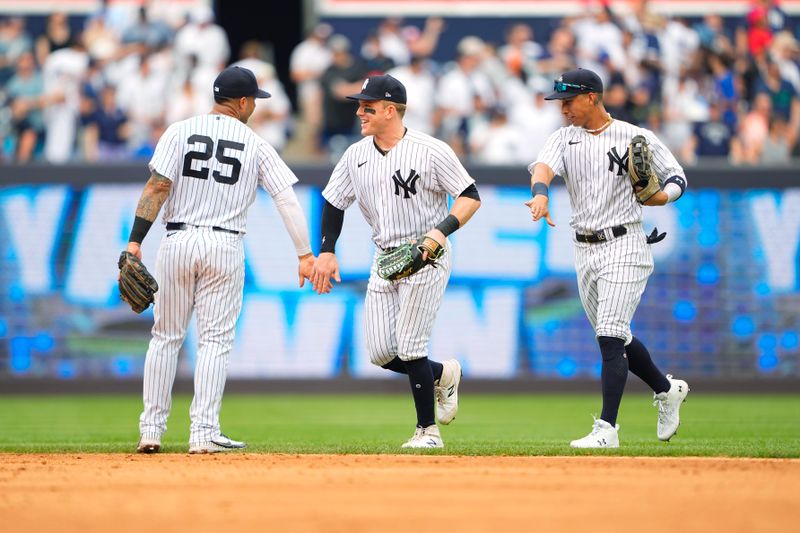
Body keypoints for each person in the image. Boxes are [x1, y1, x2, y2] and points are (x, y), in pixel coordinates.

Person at [128, 66, 315, 454]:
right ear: (243, 102)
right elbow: (285, 199)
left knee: (165, 338)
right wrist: (304, 253)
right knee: (214, 341)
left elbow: (157, 186)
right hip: (224, 246)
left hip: (177, 240)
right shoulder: (257, 143)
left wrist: (134, 242)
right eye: (253, 101)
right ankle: (203, 433)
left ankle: (151, 431)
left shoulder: (179, 130)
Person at [310, 74, 481, 449]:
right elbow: (334, 201)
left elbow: (469, 196)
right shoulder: (356, 155)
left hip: (425, 254)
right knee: (380, 353)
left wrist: (441, 230)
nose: (359, 113)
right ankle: (443, 375)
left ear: (391, 110)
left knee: (410, 345)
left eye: (367, 107)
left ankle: (427, 432)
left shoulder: (430, 149)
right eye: (359, 105)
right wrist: (326, 250)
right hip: (385, 257)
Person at [525, 68, 690, 448]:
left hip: (626, 243)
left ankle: (607, 429)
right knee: (617, 335)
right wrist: (541, 193)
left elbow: (676, 176)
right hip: (584, 247)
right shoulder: (564, 139)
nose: (562, 108)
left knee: (609, 334)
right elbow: (543, 168)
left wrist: (663, 197)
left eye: (568, 101)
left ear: (592, 98)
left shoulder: (635, 135)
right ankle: (667, 389)